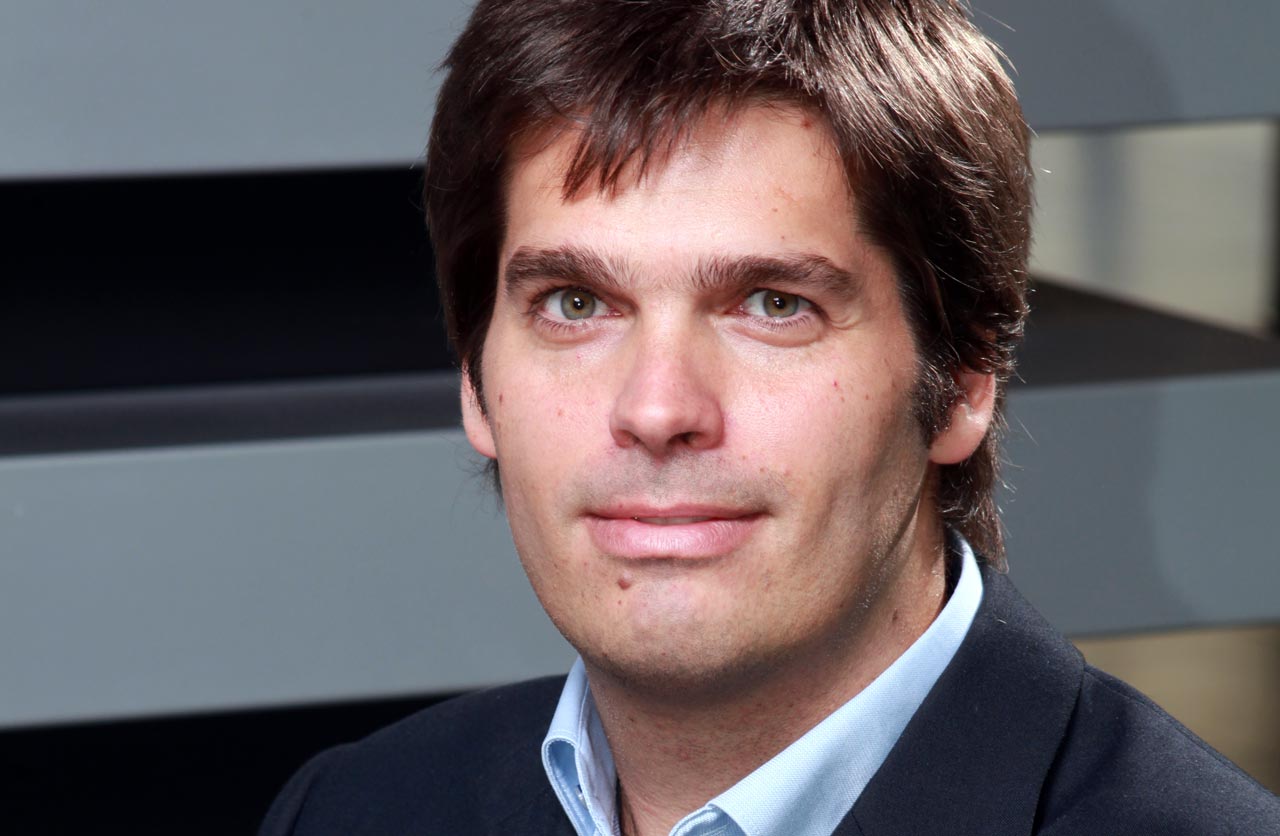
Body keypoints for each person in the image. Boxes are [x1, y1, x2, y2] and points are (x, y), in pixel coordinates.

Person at [261, 1, 1279, 833]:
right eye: (575, 303)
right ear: (475, 378)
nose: (656, 409)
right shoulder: (351, 809)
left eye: (772, 304)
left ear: (965, 377)